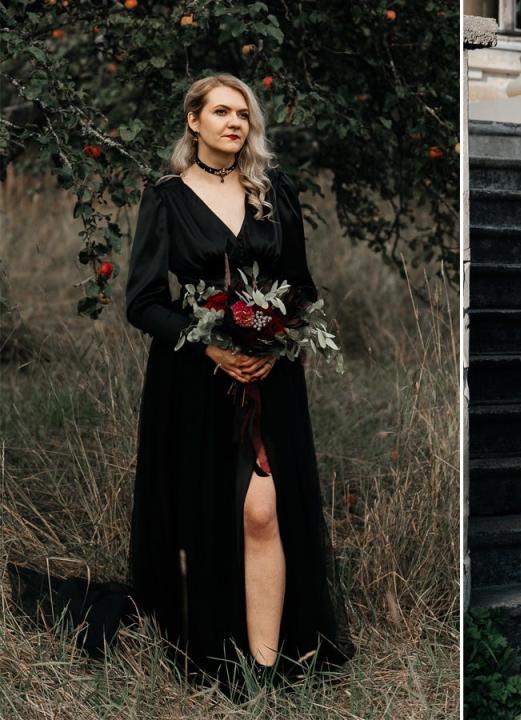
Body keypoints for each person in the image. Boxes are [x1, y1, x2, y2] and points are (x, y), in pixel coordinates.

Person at [6, 73, 354, 698]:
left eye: (243, 114)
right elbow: (142, 303)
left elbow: (301, 284)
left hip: (269, 378)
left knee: (262, 508)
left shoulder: (276, 190)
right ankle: (220, 653)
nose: (234, 123)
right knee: (205, 513)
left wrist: (275, 341)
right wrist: (212, 345)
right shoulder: (166, 197)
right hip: (193, 380)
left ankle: (268, 668)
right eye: (221, 111)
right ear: (193, 120)